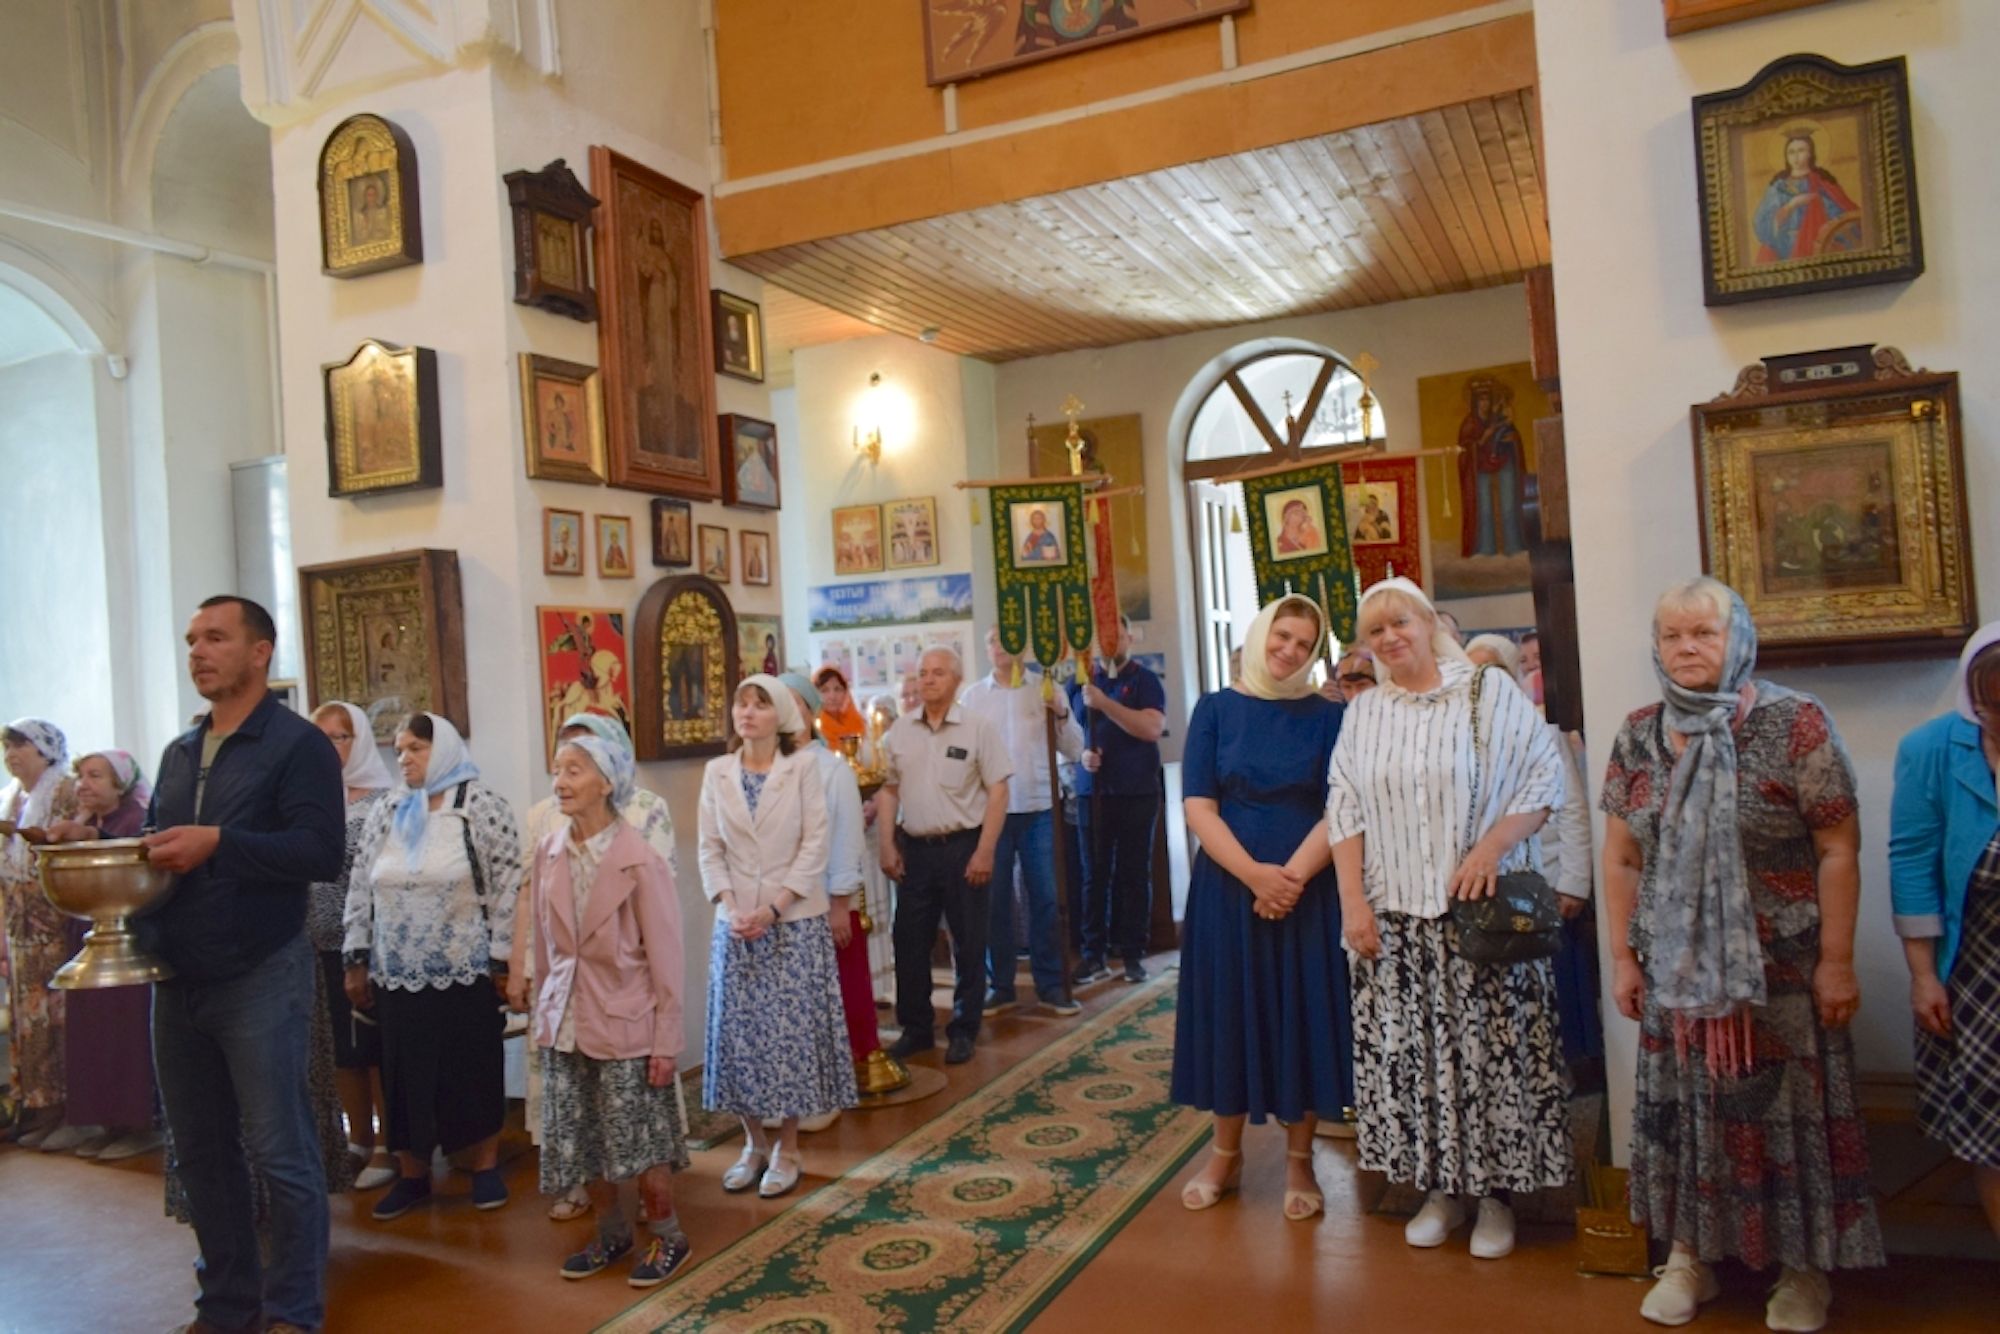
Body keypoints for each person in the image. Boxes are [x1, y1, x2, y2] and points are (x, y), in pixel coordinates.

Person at [1600, 578, 1882, 1330]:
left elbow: (1838, 848)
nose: (1687, 648)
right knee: (1688, 1116)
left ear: (1740, 642)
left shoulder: (1796, 724)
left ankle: (1803, 1269)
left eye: (1705, 633)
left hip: (1780, 974)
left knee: (1789, 1119)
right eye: (1672, 636)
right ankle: (1688, 1257)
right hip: (1675, 979)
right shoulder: (1638, 734)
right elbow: (1622, 858)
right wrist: (1624, 959)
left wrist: (1837, 961)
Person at [1326, 577, 1570, 1262]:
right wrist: (1353, 902)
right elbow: (1343, 807)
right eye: (1375, 631)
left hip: (1478, 917)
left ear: (1429, 623)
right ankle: (1438, 1191)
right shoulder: (1364, 714)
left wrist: (1491, 848)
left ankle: (1496, 1198)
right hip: (1397, 921)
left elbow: (1543, 777)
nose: (1390, 638)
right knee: (1416, 1063)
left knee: (1488, 1061)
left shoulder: (1486, 692)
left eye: (1400, 622)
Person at [139, 596, 346, 1334]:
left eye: (216, 638)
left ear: (260, 652)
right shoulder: (179, 751)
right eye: (192, 639)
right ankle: (226, 1306)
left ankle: (292, 1311)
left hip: (259, 972)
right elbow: (157, 845)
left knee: (280, 1153)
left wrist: (219, 843)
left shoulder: (297, 746)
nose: (197, 651)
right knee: (200, 1155)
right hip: (177, 977)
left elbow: (321, 852)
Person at [1174, 596, 1351, 1221]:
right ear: (1260, 635)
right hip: (1229, 887)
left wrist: (1290, 879)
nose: (1290, 651)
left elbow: (1341, 807)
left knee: (1302, 1016)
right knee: (1231, 1013)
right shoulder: (1216, 710)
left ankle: (1301, 1162)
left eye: (1305, 644)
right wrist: (1254, 875)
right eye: (1283, 636)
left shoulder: (1330, 716)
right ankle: (1225, 1155)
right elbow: (1198, 805)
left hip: (1308, 886)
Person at [509, 735, 692, 1288]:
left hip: (626, 1020)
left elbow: (666, 957)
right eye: (557, 770)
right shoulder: (550, 851)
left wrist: (665, 1041)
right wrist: (543, 1012)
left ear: (607, 783)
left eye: (575, 770)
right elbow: (547, 946)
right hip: (566, 1020)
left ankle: (669, 1236)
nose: (560, 782)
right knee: (584, 1137)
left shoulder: (639, 859)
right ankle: (611, 1234)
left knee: (642, 1140)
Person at [343, 712, 521, 1222]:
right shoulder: (388, 808)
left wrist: (503, 959)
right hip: (397, 971)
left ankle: (483, 1168)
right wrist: (357, 956)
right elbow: (361, 884)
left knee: (470, 1069)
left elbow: (509, 885)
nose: (404, 759)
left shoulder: (480, 806)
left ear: (441, 749)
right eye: (399, 750)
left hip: (465, 967)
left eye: (416, 748)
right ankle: (413, 1175)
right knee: (403, 1075)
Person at [698, 676, 855, 1196]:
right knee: (740, 1037)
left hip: (793, 920)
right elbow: (709, 848)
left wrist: (774, 907)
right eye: (741, 703)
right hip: (737, 923)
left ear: (781, 715)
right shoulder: (717, 772)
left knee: (790, 1039)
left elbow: (815, 844)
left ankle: (788, 1145)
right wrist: (731, 907)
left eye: (760, 704)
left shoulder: (803, 767)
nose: (747, 712)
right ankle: (752, 1143)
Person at [1889, 621, 2000, 1239]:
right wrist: (1923, 975)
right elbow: (1912, 862)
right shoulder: (1931, 749)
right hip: (1980, 971)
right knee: (1994, 1135)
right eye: (1992, 709)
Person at [1467, 635, 1603, 1069]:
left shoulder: (1541, 726)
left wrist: (1574, 883)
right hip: (1494, 886)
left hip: (1548, 881)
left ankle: (1570, 1067)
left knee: (1558, 984)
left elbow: (1572, 806)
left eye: (1492, 670)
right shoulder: (1460, 733)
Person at [878, 648, 1011, 1065]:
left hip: (963, 847)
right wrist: (886, 843)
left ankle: (964, 1028)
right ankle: (916, 1028)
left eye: (938, 673)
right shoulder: (899, 731)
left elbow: (999, 791)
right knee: (909, 940)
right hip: (916, 850)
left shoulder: (978, 727)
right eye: (923, 673)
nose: (928, 680)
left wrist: (985, 851)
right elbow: (888, 789)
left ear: (956, 679)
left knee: (968, 942)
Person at [961, 628, 1084, 1018]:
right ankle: (1001, 986)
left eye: (1006, 639)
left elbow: (1075, 748)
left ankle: (1051, 984)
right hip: (991, 814)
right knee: (994, 900)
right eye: (992, 642)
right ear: (986, 650)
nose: (999, 647)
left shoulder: (1044, 687)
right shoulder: (973, 698)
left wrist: (1060, 713)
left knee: (1045, 897)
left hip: (1039, 807)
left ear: (1021, 646)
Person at [43, 748, 157, 1158]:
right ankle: (104, 1123)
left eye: (95, 776)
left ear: (120, 783)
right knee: (92, 1035)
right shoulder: (87, 823)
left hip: (127, 941)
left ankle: (139, 1125)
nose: (83, 785)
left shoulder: (134, 821)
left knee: (123, 1035)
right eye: (81, 776)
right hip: (88, 938)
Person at [778, 671, 883, 1109]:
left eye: (795, 704)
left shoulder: (831, 769)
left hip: (826, 899)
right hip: (782, 905)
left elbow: (846, 839)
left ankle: (849, 1068)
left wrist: (841, 904)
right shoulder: (767, 766)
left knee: (843, 987)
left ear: (810, 712)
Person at [304, 703, 397, 1191]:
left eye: (338, 737)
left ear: (358, 741)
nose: (328, 747)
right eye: (318, 738)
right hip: (317, 939)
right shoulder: (308, 797)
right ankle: (356, 1137)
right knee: (341, 1048)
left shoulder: (384, 801)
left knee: (374, 1047)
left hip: (368, 943)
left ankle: (387, 1143)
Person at [1070, 616, 1166, 984]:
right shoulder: (1079, 681)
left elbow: (1151, 727)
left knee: (1133, 875)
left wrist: (1106, 704)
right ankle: (1093, 954)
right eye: (1104, 636)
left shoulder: (1144, 680)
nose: (1110, 642)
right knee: (1093, 876)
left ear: (1129, 638)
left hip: (1136, 791)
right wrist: (1081, 756)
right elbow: (1068, 735)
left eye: (1117, 635)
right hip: (1092, 793)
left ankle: (1133, 954)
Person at [0, 718, 79, 1147]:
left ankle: (67, 1111)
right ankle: (38, 1106)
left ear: (45, 750)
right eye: (7, 748)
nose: (11, 756)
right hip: (20, 929)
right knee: (28, 1021)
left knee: (57, 1019)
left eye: (20, 746)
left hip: (55, 926)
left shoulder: (65, 790)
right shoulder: (12, 798)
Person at [1754, 130, 1860, 263]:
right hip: (1784, 248)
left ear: (1810, 153)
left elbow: (1844, 214)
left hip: (1818, 245)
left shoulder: (1823, 180)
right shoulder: (1778, 186)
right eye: (1791, 152)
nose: (1796, 157)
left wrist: (1820, 202)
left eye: (1801, 151)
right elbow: (1762, 223)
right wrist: (1791, 205)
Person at [814, 664, 866, 753]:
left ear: (846, 693)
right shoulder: (813, 730)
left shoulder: (858, 722)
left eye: (837, 689)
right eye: (824, 690)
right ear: (814, 694)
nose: (832, 696)